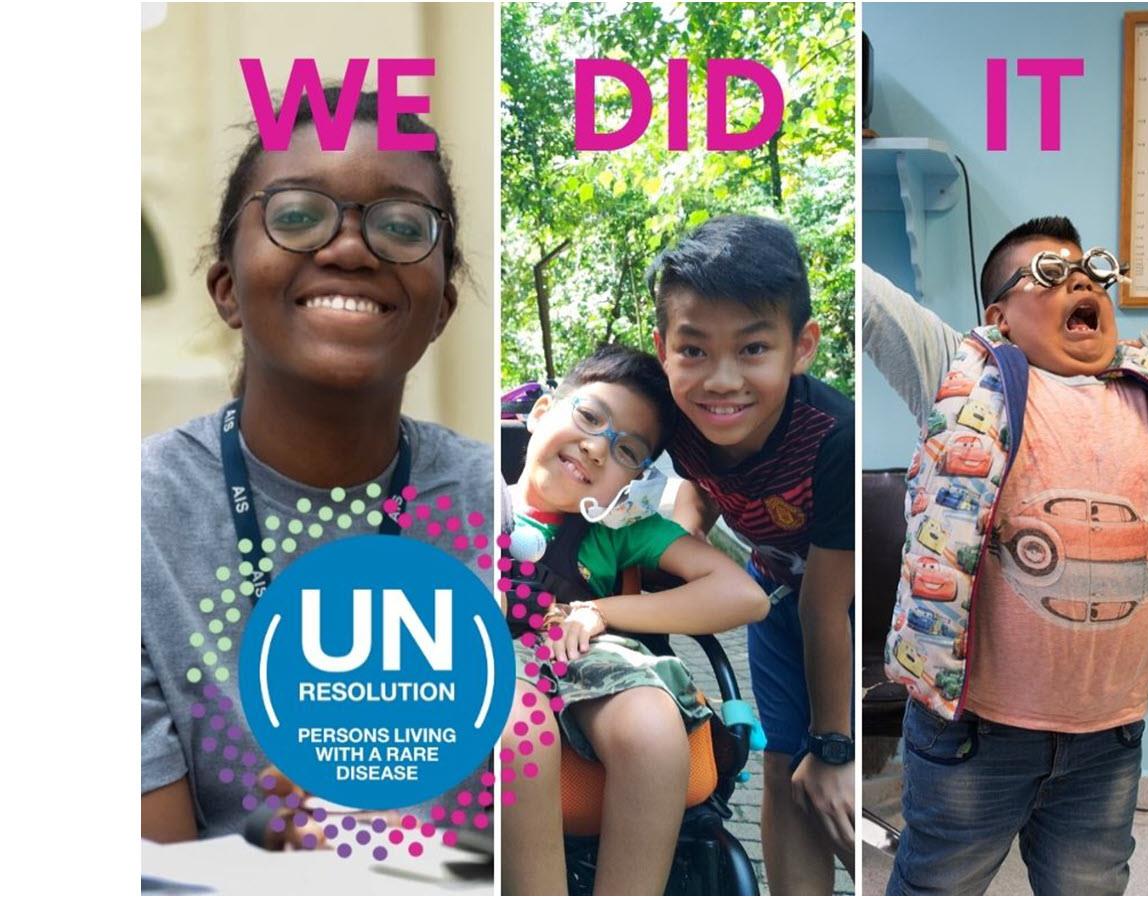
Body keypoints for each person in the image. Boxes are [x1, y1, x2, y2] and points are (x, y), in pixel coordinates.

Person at [141, 87, 491, 844]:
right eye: (297, 215)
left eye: (402, 226)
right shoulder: (137, 525)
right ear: (227, 288)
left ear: (441, 311)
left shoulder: (490, 509)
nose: (352, 247)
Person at [864, 215, 1148, 895]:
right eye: (1050, 275)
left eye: (1091, 274)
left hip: (1108, 738)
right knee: (939, 883)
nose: (1081, 280)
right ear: (999, 316)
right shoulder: (962, 376)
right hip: (974, 738)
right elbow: (866, 297)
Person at [500, 343, 769, 895]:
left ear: (635, 481)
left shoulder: (618, 530)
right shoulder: (466, 497)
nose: (598, 447)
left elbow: (747, 596)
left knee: (651, 724)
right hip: (491, 664)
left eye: (627, 451)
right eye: (590, 416)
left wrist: (600, 609)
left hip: (579, 657)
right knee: (519, 726)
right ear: (542, 410)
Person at [650, 214, 857, 894]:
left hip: (848, 608)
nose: (721, 380)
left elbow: (828, 606)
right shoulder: (677, 418)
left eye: (752, 349)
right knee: (780, 768)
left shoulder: (832, 435)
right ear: (663, 348)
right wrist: (671, 558)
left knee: (834, 783)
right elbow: (700, 492)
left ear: (801, 348)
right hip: (773, 597)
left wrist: (833, 744)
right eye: (695, 351)